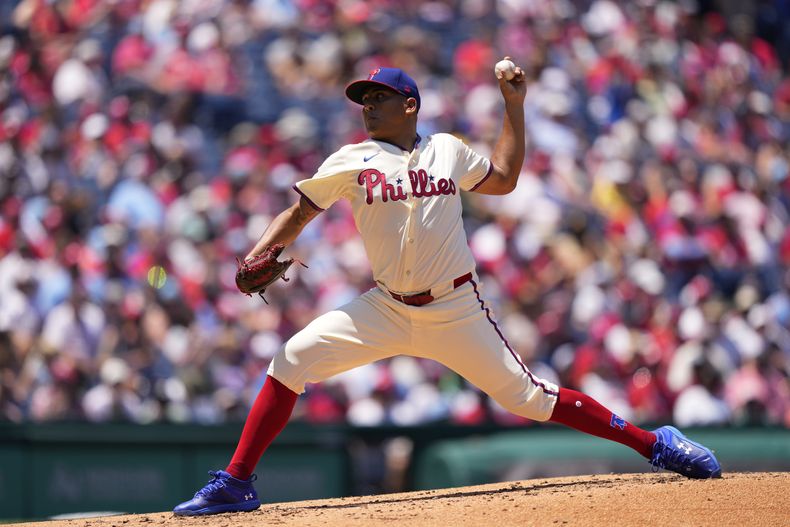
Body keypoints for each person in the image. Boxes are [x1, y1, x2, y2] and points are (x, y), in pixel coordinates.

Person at [172, 60, 721, 516]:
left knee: (530, 399)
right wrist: (255, 253)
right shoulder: (350, 160)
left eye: (379, 96)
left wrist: (514, 105)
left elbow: (504, 180)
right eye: (363, 98)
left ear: (410, 104)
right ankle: (237, 481)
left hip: (456, 307)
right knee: (290, 360)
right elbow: (299, 213)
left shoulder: (447, 150)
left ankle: (656, 443)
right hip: (385, 306)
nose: (367, 105)